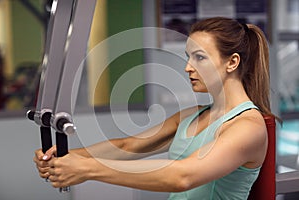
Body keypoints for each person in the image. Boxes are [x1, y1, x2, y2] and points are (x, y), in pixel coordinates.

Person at [34, 17, 275, 199]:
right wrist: (64, 157)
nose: (188, 68)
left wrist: (88, 169)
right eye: (188, 57)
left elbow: (183, 176)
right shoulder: (192, 115)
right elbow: (127, 146)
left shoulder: (247, 127)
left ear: (232, 62)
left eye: (199, 58)